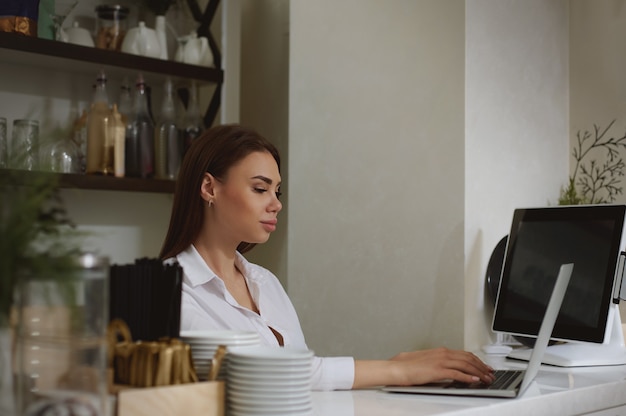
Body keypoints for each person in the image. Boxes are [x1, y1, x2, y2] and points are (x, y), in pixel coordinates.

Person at [159, 124, 495, 391]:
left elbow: (305, 374)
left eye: (277, 192)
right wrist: (398, 369)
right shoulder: (171, 292)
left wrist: (402, 369)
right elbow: (266, 379)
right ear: (209, 188)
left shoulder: (264, 283)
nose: (276, 203)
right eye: (260, 189)